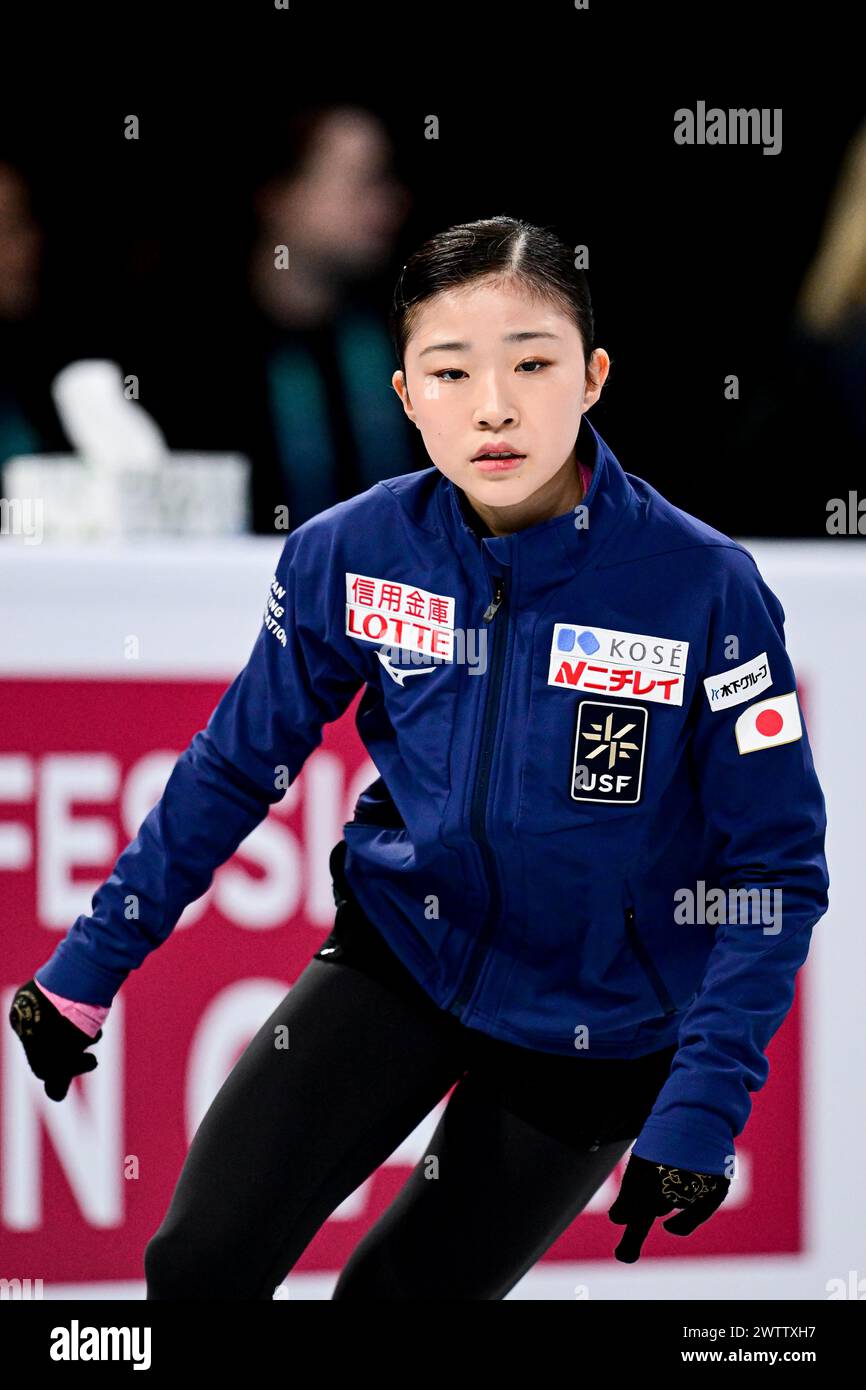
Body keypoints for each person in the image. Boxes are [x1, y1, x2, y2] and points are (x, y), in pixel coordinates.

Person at [9, 217, 830, 1299]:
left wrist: (701, 1101)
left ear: (590, 377)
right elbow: (229, 769)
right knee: (196, 1267)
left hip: (596, 1025)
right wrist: (87, 966)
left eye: (530, 364)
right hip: (403, 951)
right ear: (405, 395)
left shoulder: (704, 588)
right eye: (451, 371)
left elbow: (773, 871)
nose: (492, 405)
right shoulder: (349, 555)